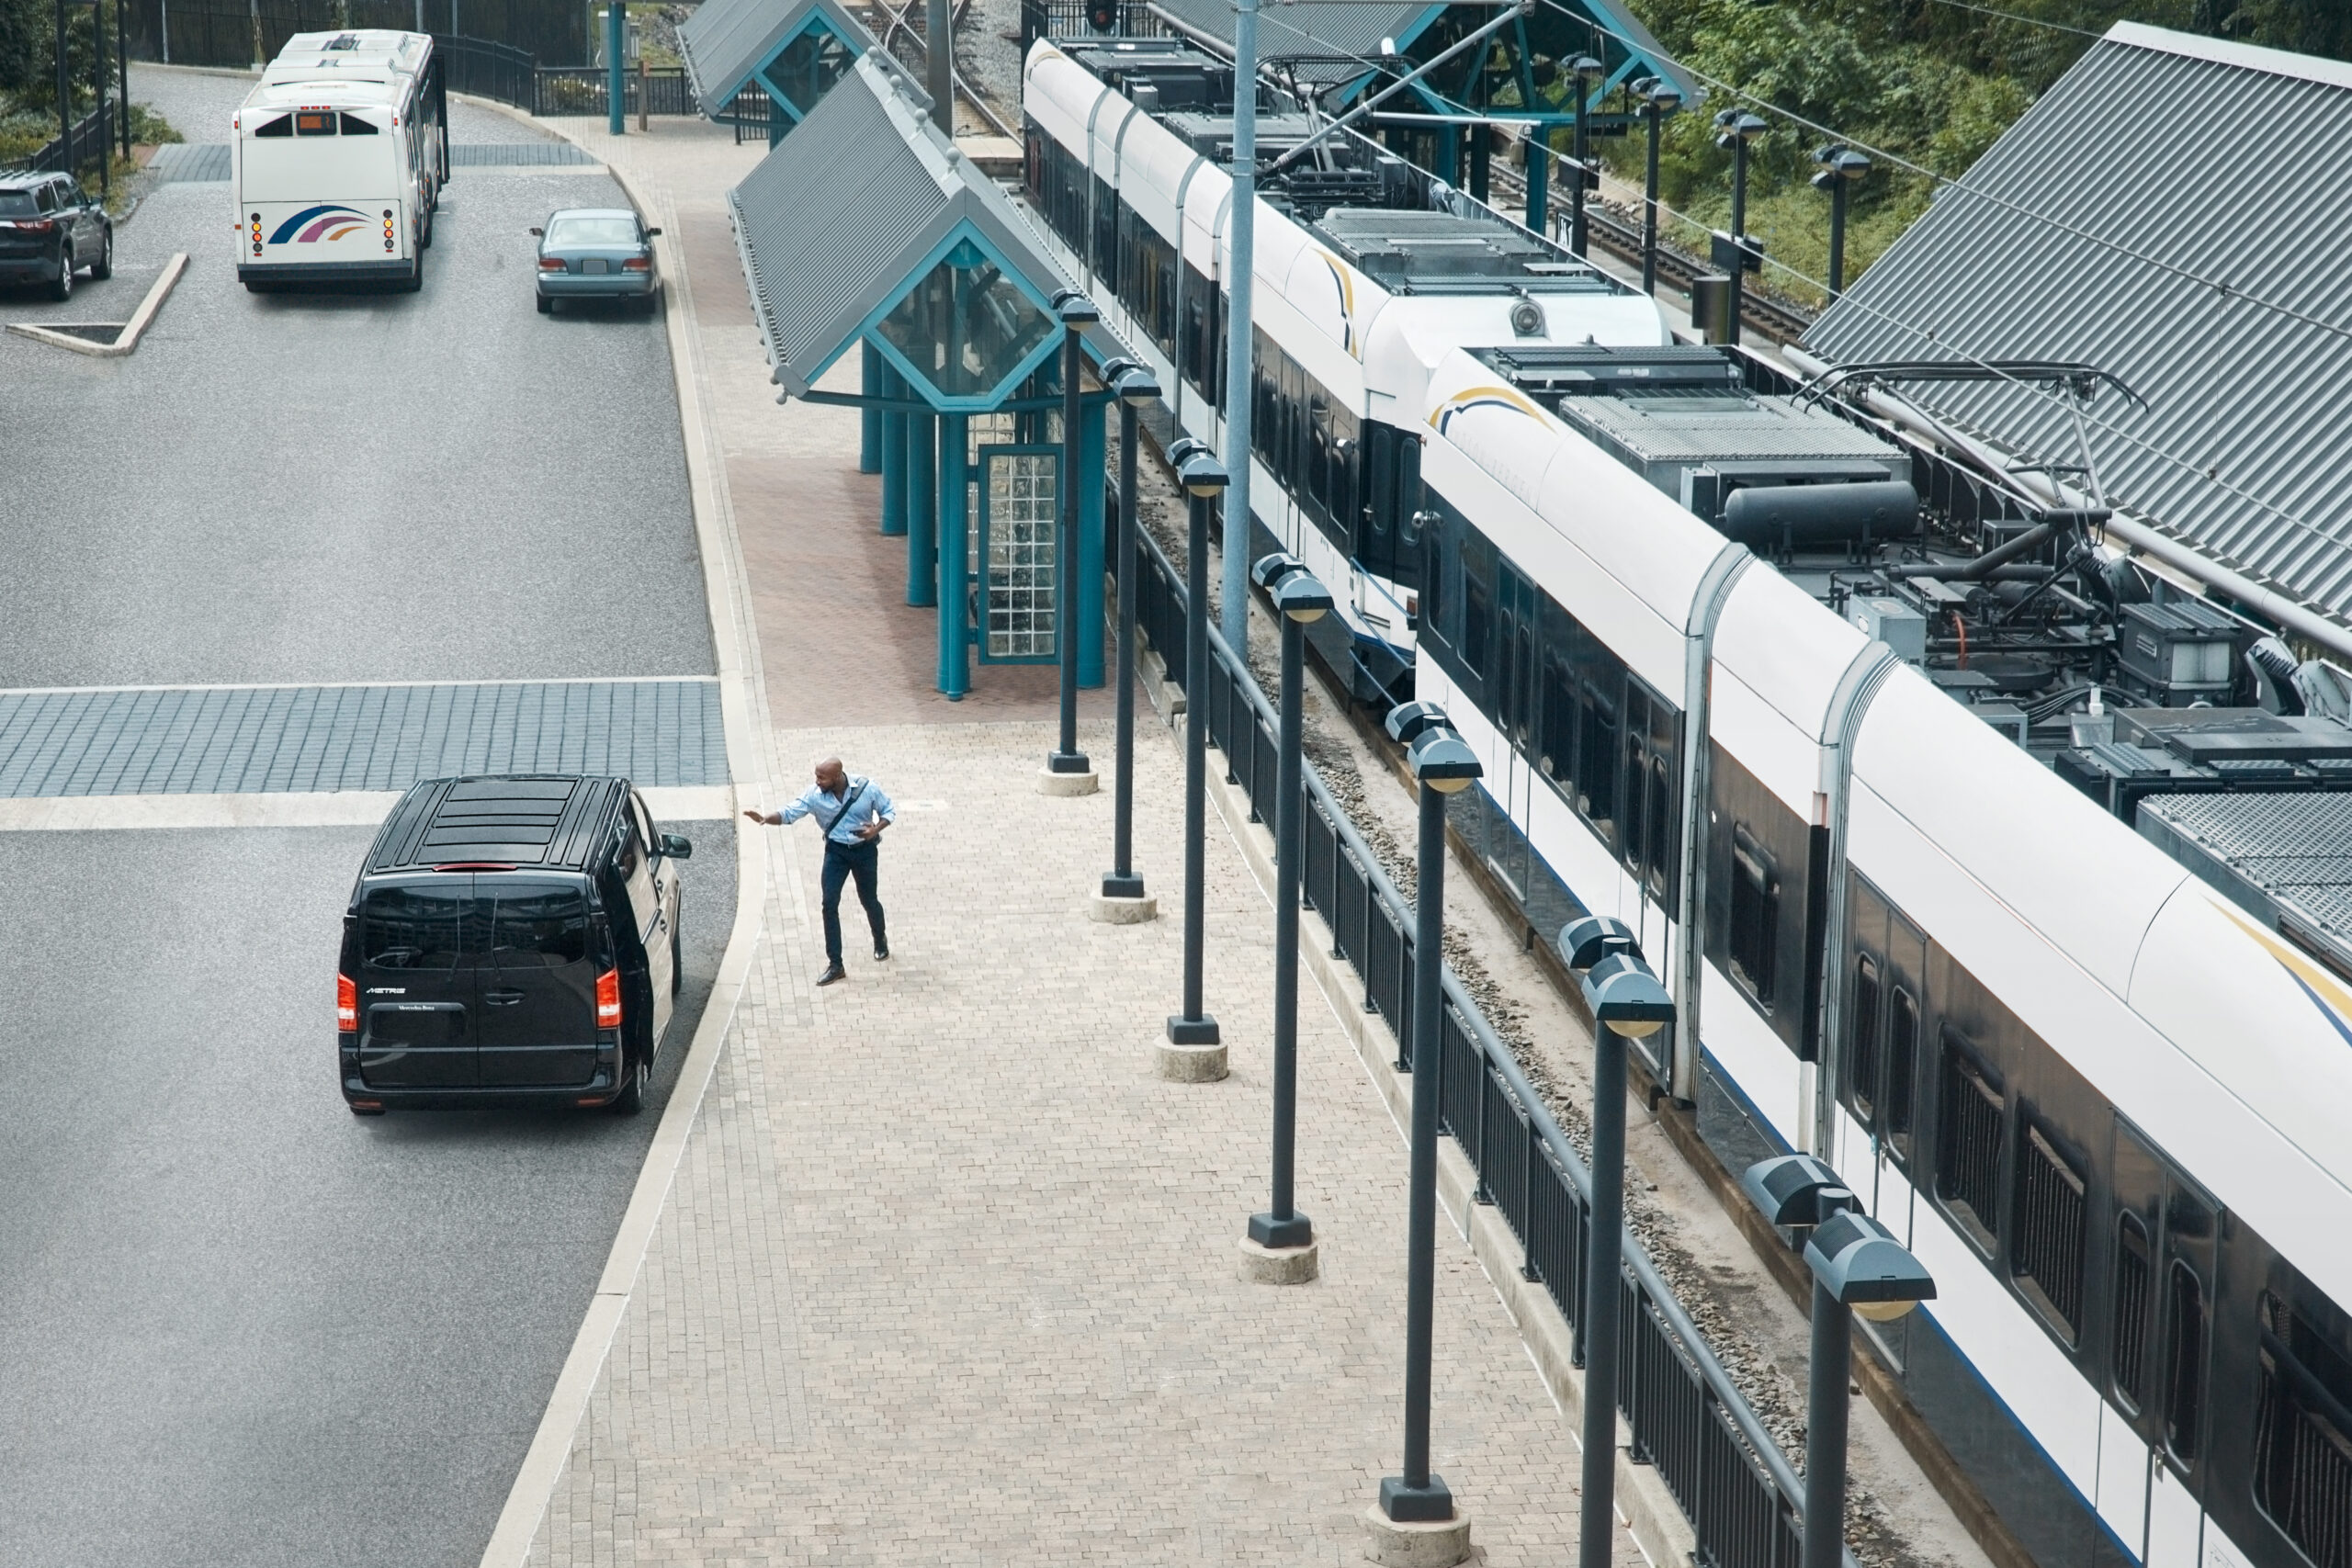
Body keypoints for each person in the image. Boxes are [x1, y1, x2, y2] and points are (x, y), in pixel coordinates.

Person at [746, 758, 896, 987]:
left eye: (821, 777)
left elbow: (889, 810)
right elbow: (791, 812)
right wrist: (767, 818)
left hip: (864, 851)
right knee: (829, 903)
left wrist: (875, 830)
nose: (817, 781)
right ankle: (836, 964)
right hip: (836, 853)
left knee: (868, 899)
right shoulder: (814, 795)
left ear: (837, 776)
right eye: (816, 776)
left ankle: (879, 938)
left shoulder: (867, 788)